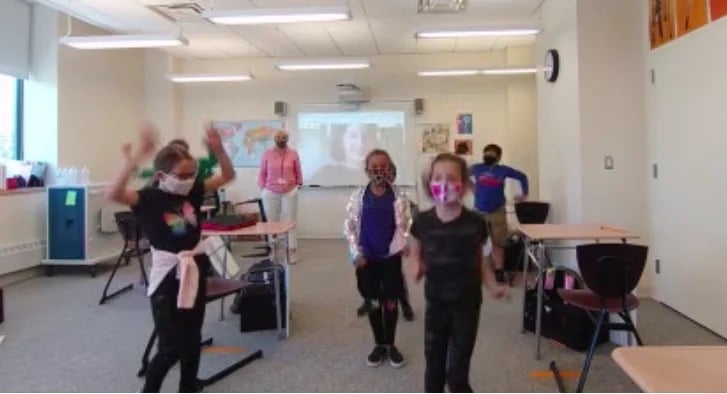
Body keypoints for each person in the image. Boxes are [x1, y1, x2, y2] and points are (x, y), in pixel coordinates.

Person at [106, 122, 235, 393]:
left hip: (194, 269)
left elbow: (227, 175)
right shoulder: (149, 198)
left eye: (192, 174)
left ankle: (189, 385)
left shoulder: (193, 191)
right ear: (163, 175)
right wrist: (134, 159)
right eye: (182, 174)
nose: (188, 179)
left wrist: (219, 149)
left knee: (192, 338)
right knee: (170, 347)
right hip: (168, 276)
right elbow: (114, 193)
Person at [409, 152, 509, 393]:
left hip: (467, 303)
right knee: (433, 366)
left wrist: (492, 284)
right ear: (429, 182)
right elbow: (416, 247)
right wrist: (416, 264)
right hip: (436, 302)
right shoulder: (422, 221)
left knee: (458, 369)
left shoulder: (476, 222)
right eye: (437, 177)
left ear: (464, 185)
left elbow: (482, 259)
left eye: (451, 178)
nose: (444, 184)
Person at [343, 149, 410, 368]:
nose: (379, 170)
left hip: (390, 258)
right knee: (372, 302)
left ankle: (390, 344)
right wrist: (356, 253)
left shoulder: (399, 196)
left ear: (391, 169)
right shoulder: (358, 197)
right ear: (366, 169)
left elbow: (405, 225)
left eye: (384, 166)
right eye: (374, 167)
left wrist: (403, 245)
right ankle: (378, 344)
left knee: (390, 302)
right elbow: (350, 228)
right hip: (367, 259)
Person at [355, 163, 415, 322]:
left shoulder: (398, 196)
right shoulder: (364, 196)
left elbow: (409, 217)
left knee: (396, 281)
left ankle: (405, 304)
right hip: (371, 246)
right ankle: (369, 300)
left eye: (389, 174)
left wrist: (404, 240)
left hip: (392, 249)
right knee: (367, 275)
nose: (383, 176)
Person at [469, 144, 528, 284]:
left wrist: (524, 194)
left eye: (492, 153)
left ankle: (499, 272)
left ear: (499, 156)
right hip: (479, 211)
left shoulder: (503, 170)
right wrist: (472, 188)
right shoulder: (476, 168)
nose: (489, 155)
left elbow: (522, 177)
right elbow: (460, 174)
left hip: (498, 211)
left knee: (498, 242)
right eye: (486, 152)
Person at [258, 130, 303, 263]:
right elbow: (262, 172)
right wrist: (263, 187)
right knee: (272, 223)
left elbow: (298, 171)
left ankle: (292, 251)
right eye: (278, 137)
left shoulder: (293, 153)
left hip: (289, 191)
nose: (281, 139)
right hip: (271, 191)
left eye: (284, 137)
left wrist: (298, 185)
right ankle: (273, 250)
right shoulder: (267, 154)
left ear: (287, 139)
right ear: (274, 138)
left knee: (290, 222)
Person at [308, 123, 378, 185]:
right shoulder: (325, 174)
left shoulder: (379, 174)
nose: (360, 143)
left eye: (365, 136)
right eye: (353, 136)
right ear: (341, 139)